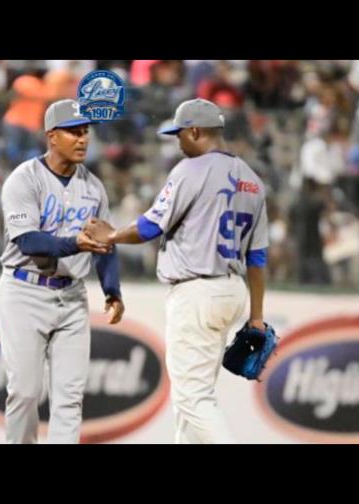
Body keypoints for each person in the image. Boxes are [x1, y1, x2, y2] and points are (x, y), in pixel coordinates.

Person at [84, 98, 269, 444]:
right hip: (232, 290)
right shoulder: (253, 181)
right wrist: (256, 316)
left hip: (197, 291)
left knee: (193, 399)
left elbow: (151, 227)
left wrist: (110, 235)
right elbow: (257, 258)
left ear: (196, 131)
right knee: (189, 404)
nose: (179, 142)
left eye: (180, 135)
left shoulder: (192, 170)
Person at [0, 99, 124, 444]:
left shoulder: (94, 188)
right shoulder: (24, 179)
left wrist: (112, 290)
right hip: (25, 291)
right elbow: (29, 242)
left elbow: (104, 243)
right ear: (52, 136)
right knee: (23, 391)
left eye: (85, 132)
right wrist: (75, 244)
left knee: (69, 398)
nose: (82, 139)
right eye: (73, 132)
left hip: (72, 295)